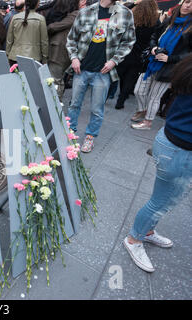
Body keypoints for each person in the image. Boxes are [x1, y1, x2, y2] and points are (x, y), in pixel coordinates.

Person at [123, 53, 192, 273]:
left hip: (173, 143)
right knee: (161, 202)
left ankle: (147, 232)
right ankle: (134, 239)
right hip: (179, 149)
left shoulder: (188, 63)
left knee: (163, 199)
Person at [65, 0, 136, 153]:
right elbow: (71, 39)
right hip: (81, 69)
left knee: (97, 109)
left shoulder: (125, 13)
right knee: (74, 105)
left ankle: (90, 137)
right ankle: (69, 134)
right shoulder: (86, 11)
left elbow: (129, 42)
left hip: (103, 72)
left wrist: (114, 61)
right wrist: (74, 58)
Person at [131, 0, 191, 130]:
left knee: (154, 97)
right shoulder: (170, 20)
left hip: (169, 68)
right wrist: (153, 47)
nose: (188, 6)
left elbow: (189, 54)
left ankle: (148, 122)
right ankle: (143, 110)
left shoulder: (190, 28)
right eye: (187, 2)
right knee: (138, 90)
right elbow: (154, 35)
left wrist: (170, 58)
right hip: (152, 62)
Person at [114, 0, 160, 110]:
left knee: (120, 75)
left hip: (126, 51)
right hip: (140, 55)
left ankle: (110, 96)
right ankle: (121, 100)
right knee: (131, 77)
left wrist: (134, 4)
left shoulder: (132, 18)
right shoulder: (155, 22)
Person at [46, 0, 85, 99]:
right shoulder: (73, 14)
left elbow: (54, 27)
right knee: (56, 78)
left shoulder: (76, 14)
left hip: (60, 53)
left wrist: (45, 27)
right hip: (60, 51)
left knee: (56, 79)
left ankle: (56, 104)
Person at [6, 0, 49, 64]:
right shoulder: (40, 19)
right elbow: (44, 41)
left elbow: (9, 40)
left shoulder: (15, 18)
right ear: (37, 4)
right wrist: (45, 57)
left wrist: (7, 54)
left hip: (15, 56)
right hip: (34, 56)